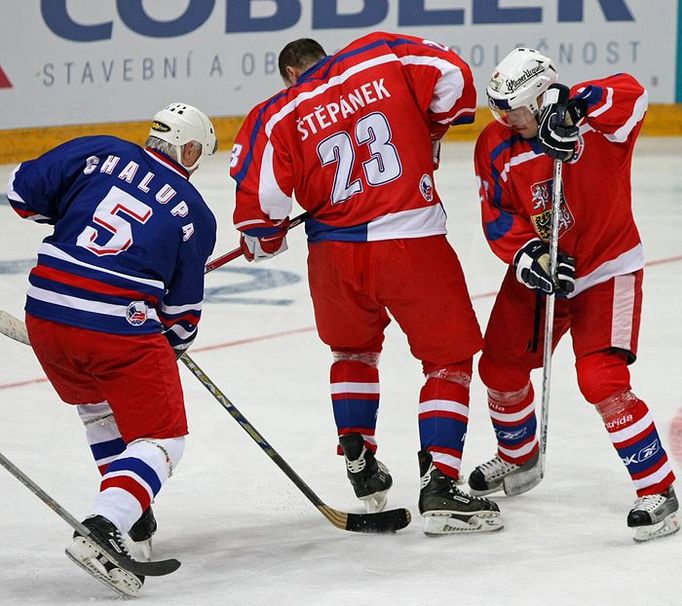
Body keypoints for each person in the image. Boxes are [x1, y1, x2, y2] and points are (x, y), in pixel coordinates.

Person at [229, 32, 502, 536]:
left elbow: (261, 203)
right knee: (447, 360)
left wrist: (264, 237)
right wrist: (431, 126)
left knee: (353, 352)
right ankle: (441, 482)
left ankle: (359, 452)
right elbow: (453, 74)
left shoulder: (276, 111)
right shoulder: (378, 55)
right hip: (412, 244)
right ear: (323, 59)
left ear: (291, 73)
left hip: (334, 255)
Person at [6, 102, 217, 595]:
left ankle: (132, 515)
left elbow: (21, 193)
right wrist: (166, 341)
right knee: (164, 439)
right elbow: (181, 321)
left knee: (100, 411)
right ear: (188, 149)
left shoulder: (100, 150)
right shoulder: (196, 214)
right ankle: (105, 526)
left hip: (44, 312)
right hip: (113, 324)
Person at [469, 47, 679, 541]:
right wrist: (526, 255)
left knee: (601, 379)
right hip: (546, 275)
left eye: (512, 108)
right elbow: (497, 213)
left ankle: (657, 489)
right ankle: (518, 456)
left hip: (608, 269)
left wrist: (577, 106)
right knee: (497, 365)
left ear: (542, 98)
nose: (502, 118)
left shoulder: (596, 124)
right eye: (496, 107)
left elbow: (634, 94)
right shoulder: (496, 144)